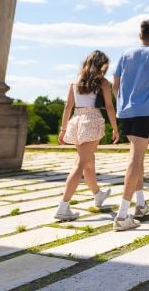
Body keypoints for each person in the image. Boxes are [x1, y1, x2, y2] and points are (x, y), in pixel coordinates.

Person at [112, 19, 149, 230]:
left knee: (139, 157)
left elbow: (115, 84)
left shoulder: (126, 54)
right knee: (135, 160)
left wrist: (122, 102)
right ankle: (121, 215)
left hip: (125, 112)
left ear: (140, 35)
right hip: (144, 112)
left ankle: (141, 204)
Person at [55, 49, 119, 221]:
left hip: (76, 120)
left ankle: (98, 194)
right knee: (81, 163)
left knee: (89, 162)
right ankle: (63, 206)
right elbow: (109, 107)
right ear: (102, 65)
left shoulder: (75, 81)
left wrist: (63, 129)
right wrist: (115, 128)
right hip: (92, 119)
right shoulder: (103, 82)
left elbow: (68, 107)